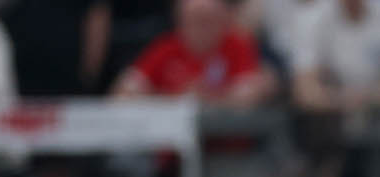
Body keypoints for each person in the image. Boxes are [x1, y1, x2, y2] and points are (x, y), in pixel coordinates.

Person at [288, 0, 380, 177]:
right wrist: (344, 100)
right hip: (330, 129)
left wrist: (361, 97)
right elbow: (304, 92)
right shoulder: (311, 20)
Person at [112, 0, 275, 109]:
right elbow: (125, 91)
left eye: (207, 20)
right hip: (172, 151)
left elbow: (249, 94)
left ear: (223, 20)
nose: (200, 29)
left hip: (228, 150)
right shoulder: (167, 47)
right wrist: (176, 98)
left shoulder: (237, 44)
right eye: (193, 20)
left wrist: (207, 98)